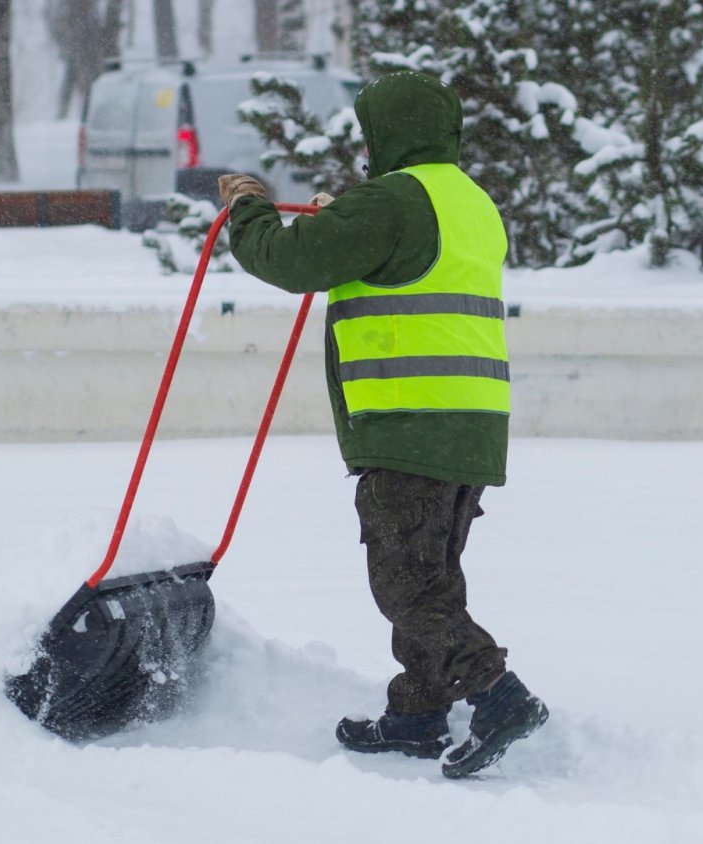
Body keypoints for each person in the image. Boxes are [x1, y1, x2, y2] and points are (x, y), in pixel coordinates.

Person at [217, 71, 548, 779]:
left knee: (407, 583)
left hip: (411, 424)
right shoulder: (467, 200)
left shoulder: (391, 200)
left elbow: (293, 259)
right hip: (471, 424)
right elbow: (400, 259)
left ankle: (497, 694)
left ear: (385, 133)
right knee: (432, 574)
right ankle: (418, 716)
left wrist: (247, 211)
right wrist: (350, 216)